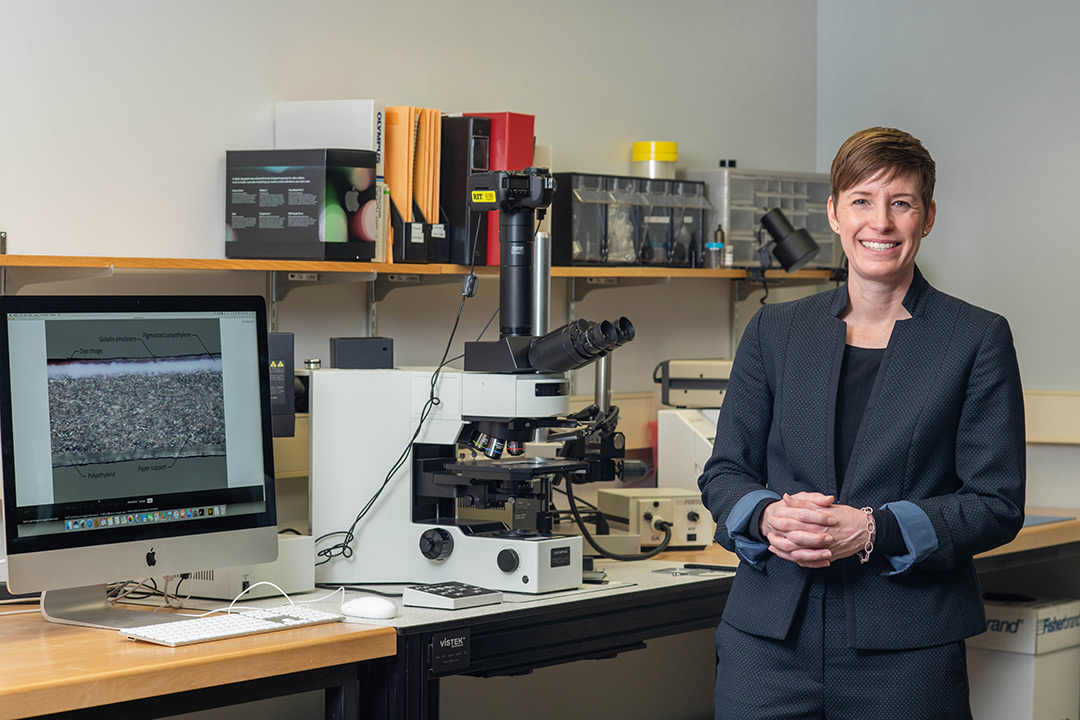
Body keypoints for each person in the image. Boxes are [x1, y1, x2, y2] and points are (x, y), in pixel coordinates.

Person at [698, 126, 1025, 719]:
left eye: (901, 203)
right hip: (767, 642)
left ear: (927, 218)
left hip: (907, 650)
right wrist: (767, 515)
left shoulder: (975, 339)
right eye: (861, 201)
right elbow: (725, 471)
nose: (880, 223)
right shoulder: (775, 332)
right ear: (833, 213)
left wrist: (875, 530)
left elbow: (996, 502)